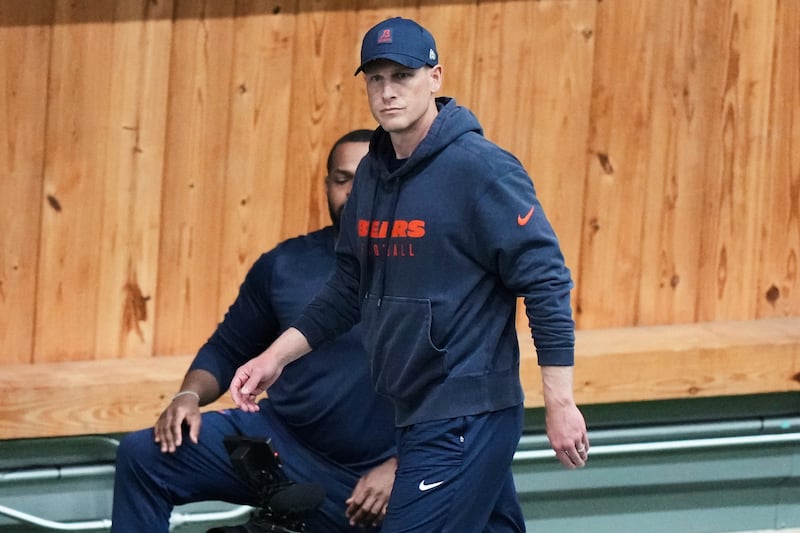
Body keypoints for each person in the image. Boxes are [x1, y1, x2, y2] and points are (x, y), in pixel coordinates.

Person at [230, 17, 589, 532]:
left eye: (403, 75)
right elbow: (350, 286)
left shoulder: (483, 170)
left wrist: (560, 402)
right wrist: (275, 358)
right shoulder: (372, 173)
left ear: (435, 77)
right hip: (412, 412)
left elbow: (546, 282)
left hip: (464, 416)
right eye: (376, 79)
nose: (388, 92)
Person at [111, 130, 397, 533]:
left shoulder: (433, 270)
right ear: (327, 185)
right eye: (341, 178)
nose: (352, 190)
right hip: (286, 444)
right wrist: (188, 396)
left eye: (366, 176)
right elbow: (227, 348)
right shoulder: (285, 265)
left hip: (392, 469)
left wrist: (403, 465)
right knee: (144, 454)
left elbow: (469, 400)